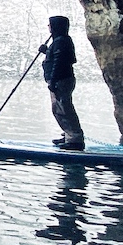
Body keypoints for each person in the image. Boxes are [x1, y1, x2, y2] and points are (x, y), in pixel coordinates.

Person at [39, 15, 84, 150]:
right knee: (58, 110)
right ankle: (68, 134)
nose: (49, 28)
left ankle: (75, 139)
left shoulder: (62, 41)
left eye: (50, 25)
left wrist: (53, 80)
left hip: (61, 80)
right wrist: (46, 51)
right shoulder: (59, 41)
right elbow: (56, 57)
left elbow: (60, 62)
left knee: (64, 109)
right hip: (59, 80)